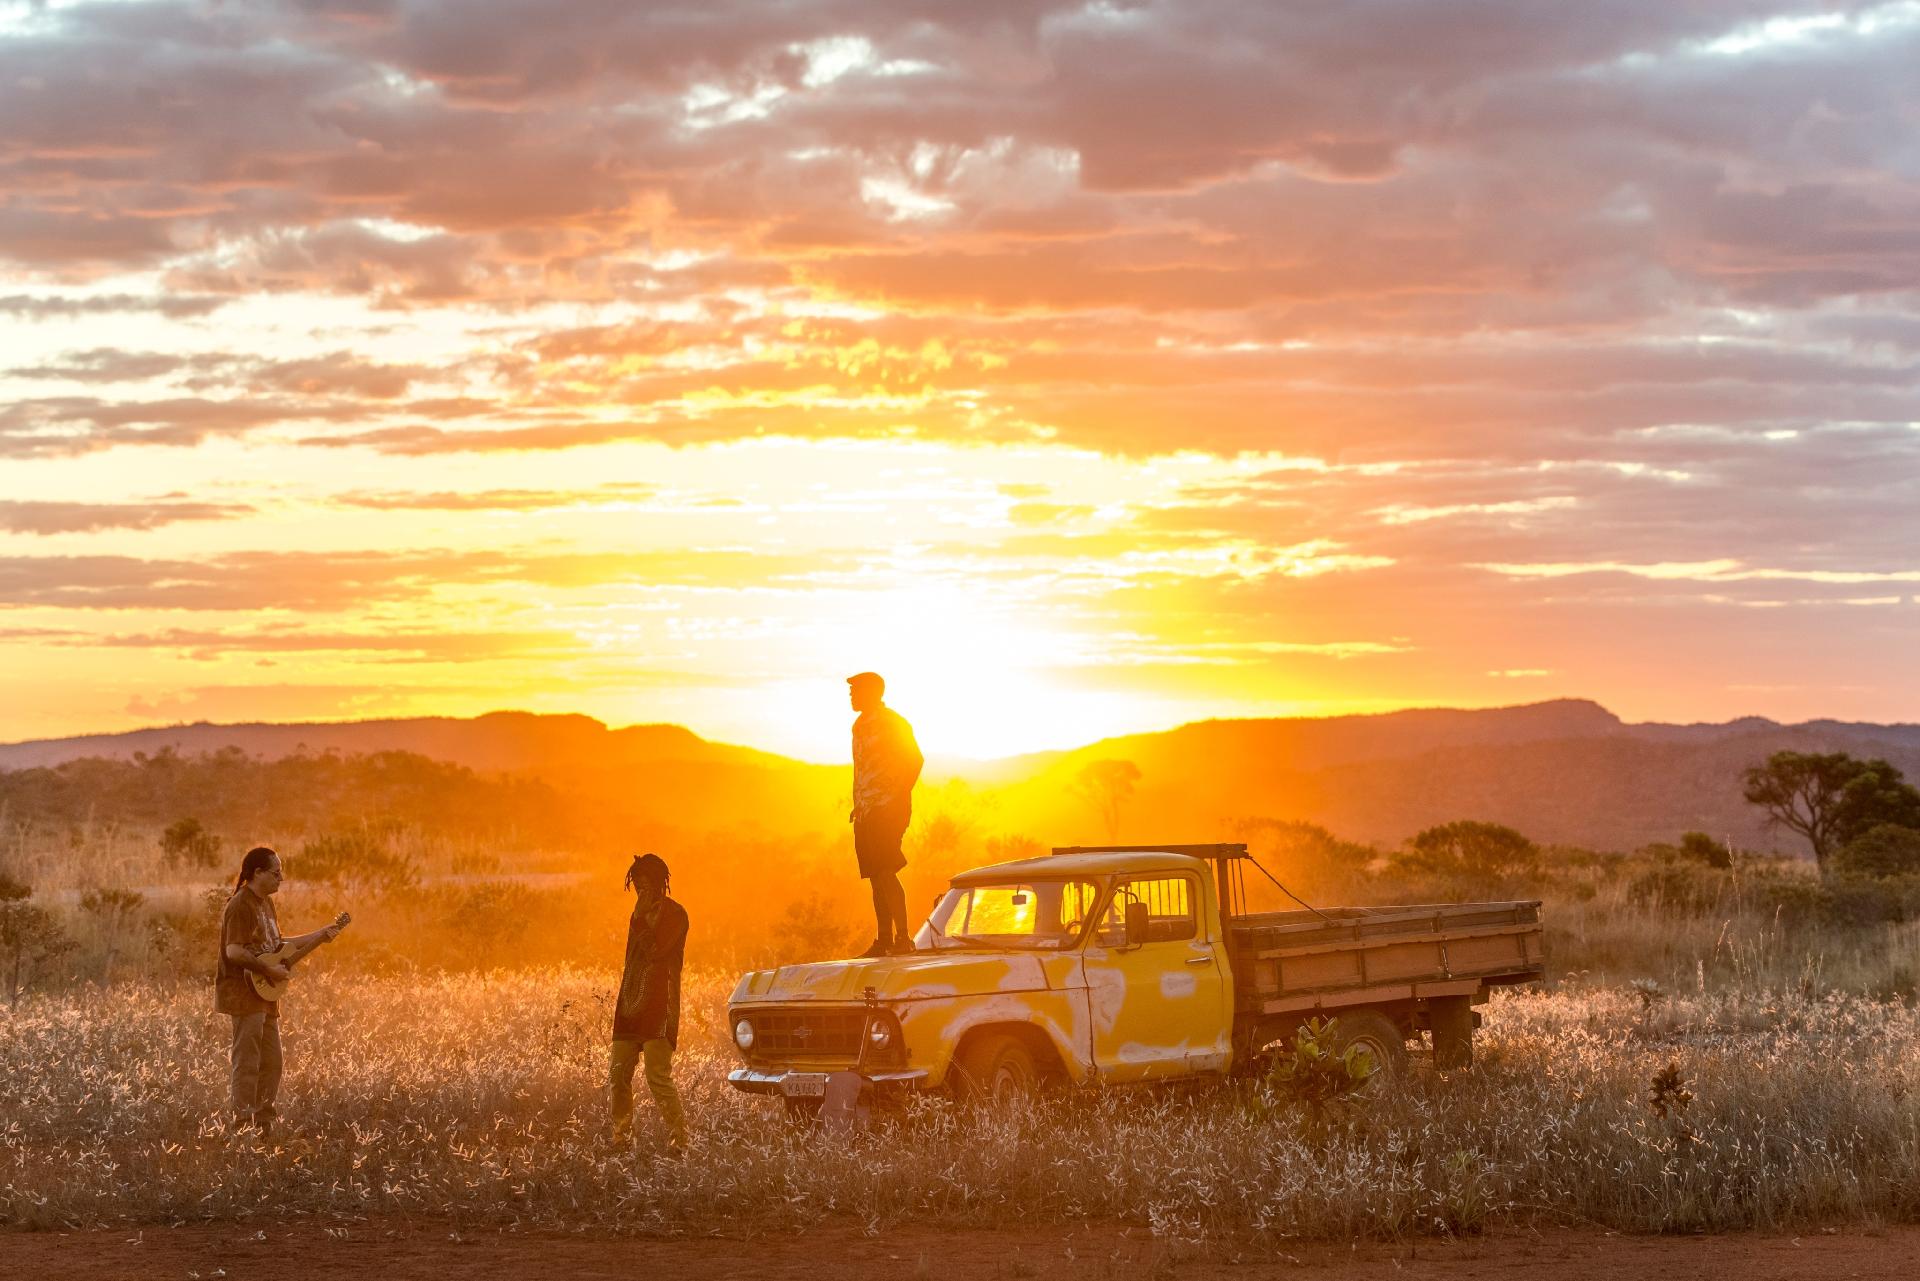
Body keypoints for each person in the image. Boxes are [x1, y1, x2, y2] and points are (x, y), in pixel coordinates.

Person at [214, 845, 343, 1137]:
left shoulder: (265, 904)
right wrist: (268, 970)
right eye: (275, 873)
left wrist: (319, 935)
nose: (280, 879)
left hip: (265, 994)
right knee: (247, 1063)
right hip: (244, 994)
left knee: (272, 1063)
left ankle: (264, 1126)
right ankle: (242, 1128)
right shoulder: (240, 905)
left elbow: (278, 945)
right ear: (257, 873)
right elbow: (234, 951)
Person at [610, 852, 689, 1150]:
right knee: (618, 1075)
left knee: (658, 1078)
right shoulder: (636, 914)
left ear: (660, 883)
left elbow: (657, 952)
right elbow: (632, 960)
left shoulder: (676, 914)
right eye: (637, 884)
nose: (641, 889)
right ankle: (621, 1139)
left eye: (647, 883)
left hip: (660, 1006)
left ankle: (679, 1141)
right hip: (629, 1006)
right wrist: (639, 917)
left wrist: (642, 919)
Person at [847, 671, 924, 957]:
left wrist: (895, 796)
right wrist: (860, 803)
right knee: (875, 876)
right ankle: (884, 940)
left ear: (873, 692)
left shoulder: (893, 723)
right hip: (866, 810)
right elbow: (864, 769)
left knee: (885, 870)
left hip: (888, 808)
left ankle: (903, 939)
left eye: (856, 691)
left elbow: (914, 759)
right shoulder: (858, 726)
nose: (851, 696)